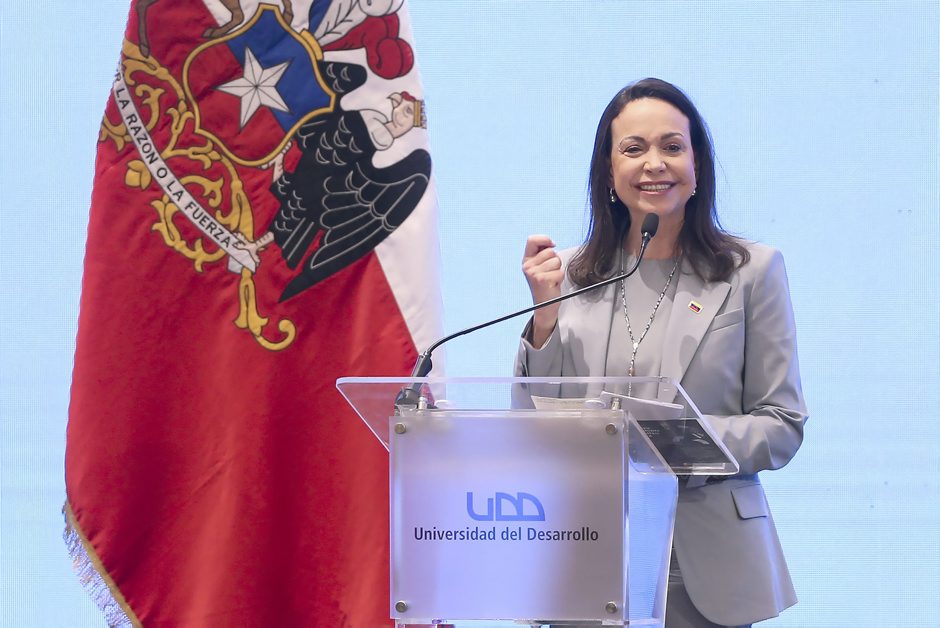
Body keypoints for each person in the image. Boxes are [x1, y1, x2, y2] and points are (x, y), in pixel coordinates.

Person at [516, 78, 807, 628]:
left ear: (697, 167)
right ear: (608, 172)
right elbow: (533, 422)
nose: (654, 163)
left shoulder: (752, 272)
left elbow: (782, 424)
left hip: (708, 568)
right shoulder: (567, 274)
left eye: (672, 146)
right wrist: (545, 314)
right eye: (633, 148)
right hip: (585, 556)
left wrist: (674, 442)